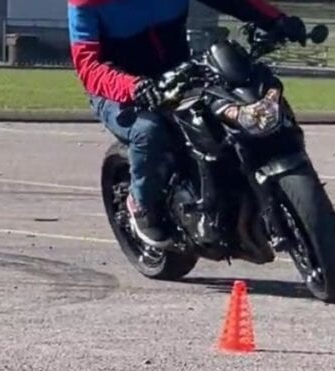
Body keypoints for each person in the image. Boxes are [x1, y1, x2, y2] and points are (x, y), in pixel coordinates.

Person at [68, 0, 308, 249]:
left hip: (180, 71)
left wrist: (277, 20)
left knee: (239, 103)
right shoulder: (87, 3)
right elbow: (88, 66)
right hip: (118, 89)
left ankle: (257, 192)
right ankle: (141, 205)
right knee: (148, 131)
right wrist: (132, 87)